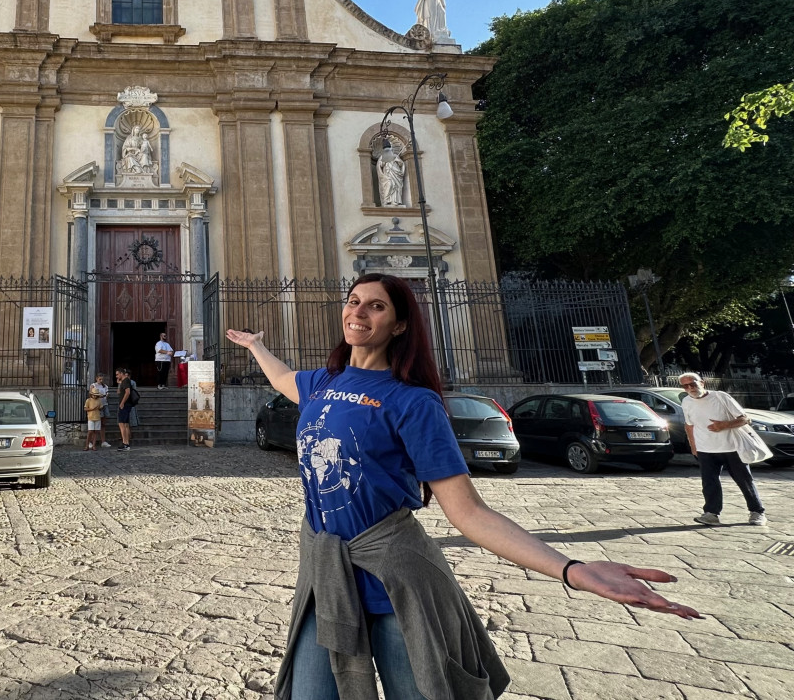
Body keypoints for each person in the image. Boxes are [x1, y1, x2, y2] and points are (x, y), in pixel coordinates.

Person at [226, 273, 700, 700]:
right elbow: (284, 378)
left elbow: (468, 512)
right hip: (325, 573)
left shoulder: (413, 402)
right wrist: (255, 347)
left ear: (400, 325)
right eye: (353, 301)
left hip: (397, 580)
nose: (358, 311)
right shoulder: (323, 383)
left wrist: (571, 568)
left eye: (376, 306)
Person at [679, 372, 767, 526]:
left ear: (702, 383)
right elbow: (689, 425)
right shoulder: (686, 402)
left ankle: (757, 512)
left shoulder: (720, 397)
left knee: (744, 481)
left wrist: (724, 425)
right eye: (685, 386)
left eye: (693, 383)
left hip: (731, 447)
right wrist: (694, 446)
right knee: (709, 483)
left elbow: (745, 419)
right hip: (705, 449)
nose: (690, 388)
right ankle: (711, 514)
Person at [116, 367, 136, 450]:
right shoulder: (124, 381)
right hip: (126, 405)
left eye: (117, 374)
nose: (116, 376)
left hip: (125, 405)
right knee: (125, 424)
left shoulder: (126, 381)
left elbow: (127, 392)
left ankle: (125, 443)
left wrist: (122, 403)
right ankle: (126, 443)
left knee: (122, 423)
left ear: (121, 373)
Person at [92, 373, 111, 448]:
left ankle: (103, 441)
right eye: (100, 379)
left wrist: (107, 395)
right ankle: (92, 441)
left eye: (102, 379)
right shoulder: (93, 385)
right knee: (96, 424)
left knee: (103, 424)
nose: (101, 380)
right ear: (96, 378)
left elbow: (107, 393)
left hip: (104, 404)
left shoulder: (105, 386)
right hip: (97, 405)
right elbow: (91, 394)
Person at [83, 386, 105, 450]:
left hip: (97, 417)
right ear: (91, 395)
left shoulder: (99, 400)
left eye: (96, 395)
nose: (95, 396)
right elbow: (85, 408)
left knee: (96, 431)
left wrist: (99, 408)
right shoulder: (88, 400)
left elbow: (101, 407)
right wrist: (91, 409)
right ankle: (87, 445)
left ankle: (94, 445)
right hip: (91, 417)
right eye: (94, 395)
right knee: (90, 431)